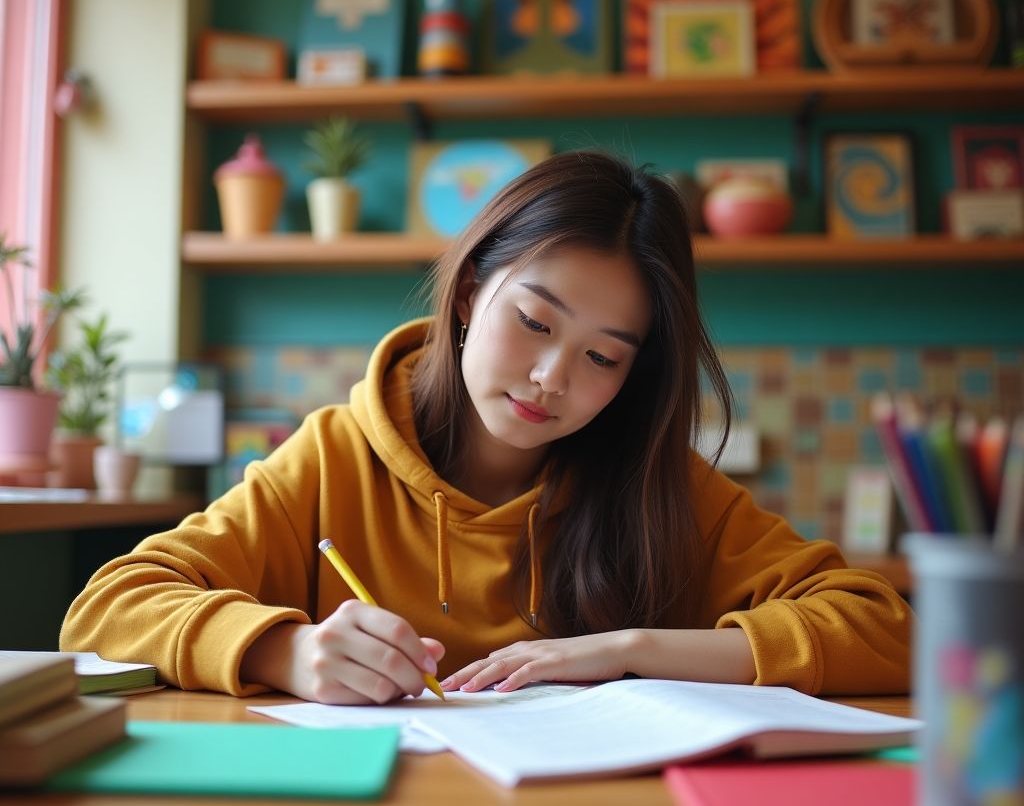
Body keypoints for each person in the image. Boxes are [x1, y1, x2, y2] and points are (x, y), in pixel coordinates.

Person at [61, 151, 911, 704]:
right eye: (535, 323)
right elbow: (106, 609)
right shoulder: (331, 457)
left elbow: (887, 628)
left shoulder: (661, 489)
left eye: (604, 359)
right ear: (470, 292)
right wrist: (283, 651)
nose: (553, 380)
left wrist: (632, 650)